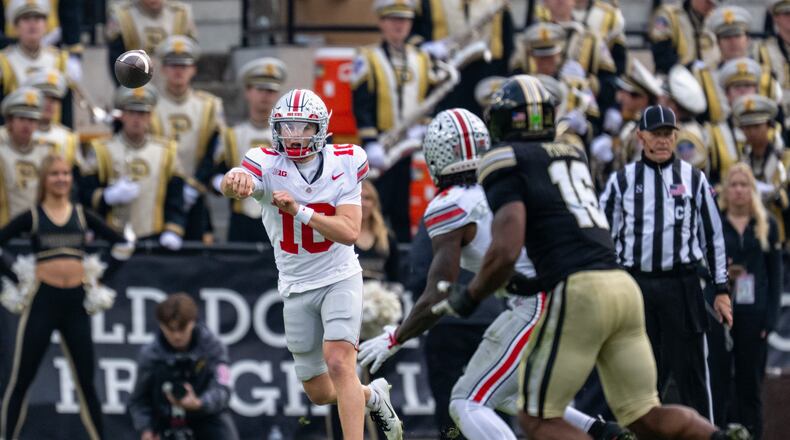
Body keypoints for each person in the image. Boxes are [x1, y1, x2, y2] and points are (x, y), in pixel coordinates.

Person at [430, 75, 748, 440]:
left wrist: (470, 296)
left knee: (535, 418)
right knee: (645, 414)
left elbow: (506, 248)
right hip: (624, 287)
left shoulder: (503, 159)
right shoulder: (572, 153)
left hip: (582, 291)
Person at [359, 107, 629, 440]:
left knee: (465, 400)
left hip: (538, 303)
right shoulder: (508, 182)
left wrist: (396, 336)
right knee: (509, 394)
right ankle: (605, 433)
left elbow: (437, 292)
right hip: (576, 291)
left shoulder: (451, 203)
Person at [220, 88, 402, 440]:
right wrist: (233, 179)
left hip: (339, 275)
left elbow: (350, 232)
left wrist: (299, 211)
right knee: (319, 392)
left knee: (339, 362)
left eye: (302, 127)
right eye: (287, 127)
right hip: (295, 283)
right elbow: (237, 184)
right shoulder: (265, 163)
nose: (294, 136)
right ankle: (372, 395)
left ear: (319, 128)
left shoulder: (346, 161)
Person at [599, 104, 731, 420]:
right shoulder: (622, 181)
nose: (662, 141)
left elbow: (712, 237)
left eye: (667, 134)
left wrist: (721, 288)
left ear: (675, 136)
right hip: (636, 285)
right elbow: (604, 236)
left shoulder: (694, 179)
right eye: (655, 134)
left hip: (681, 285)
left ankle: (706, 433)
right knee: (639, 374)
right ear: (641, 136)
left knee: (694, 375)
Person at [0, 153, 134, 440]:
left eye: (65, 173)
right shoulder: (34, 216)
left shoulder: (83, 215)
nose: (61, 179)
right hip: (42, 302)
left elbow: (122, 244)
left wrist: (99, 279)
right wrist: (17, 277)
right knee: (22, 380)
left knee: (86, 382)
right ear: (44, 180)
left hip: (75, 304)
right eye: (54, 174)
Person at [351, 0, 442, 243]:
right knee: (378, 205)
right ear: (381, 22)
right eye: (393, 20)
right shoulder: (367, 57)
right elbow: (361, 103)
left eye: (404, 20)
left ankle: (401, 259)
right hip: (381, 145)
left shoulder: (422, 58)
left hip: (409, 144)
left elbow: (431, 97)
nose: (399, 25)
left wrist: (424, 125)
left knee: (402, 209)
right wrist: (370, 141)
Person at [718, 163, 782, 438]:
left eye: (745, 185)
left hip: (754, 314)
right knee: (721, 381)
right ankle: (720, 433)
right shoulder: (715, 223)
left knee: (750, 383)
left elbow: (776, 275)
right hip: (722, 313)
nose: (739, 190)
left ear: (752, 190)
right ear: (726, 190)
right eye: (734, 184)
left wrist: (770, 318)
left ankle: (753, 434)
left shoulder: (767, 224)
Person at [79, 85, 186, 249]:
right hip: (110, 236)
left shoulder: (166, 152)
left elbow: (175, 196)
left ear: (150, 117)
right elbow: (84, 193)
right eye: (131, 112)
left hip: (153, 236)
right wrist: (107, 197)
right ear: (122, 115)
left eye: (142, 113)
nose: (137, 119)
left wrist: (173, 229)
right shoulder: (101, 149)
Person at [129, 293, 239, 440]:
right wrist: (147, 429)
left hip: (207, 417)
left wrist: (200, 403)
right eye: (170, 329)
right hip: (164, 421)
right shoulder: (150, 355)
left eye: (182, 328)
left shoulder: (213, 347)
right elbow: (139, 400)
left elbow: (223, 388)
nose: (177, 336)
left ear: (193, 322)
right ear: (161, 325)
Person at [150, 35, 225, 243]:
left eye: (184, 65)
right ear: (163, 68)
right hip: (159, 195)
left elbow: (215, 150)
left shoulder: (209, 106)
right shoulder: (149, 105)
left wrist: (196, 185)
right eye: (172, 65)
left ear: (193, 69)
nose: (178, 71)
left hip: (196, 194)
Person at [214, 57, 285, 244]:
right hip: (241, 219)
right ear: (247, 92)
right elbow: (214, 170)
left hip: (280, 218)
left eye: (271, 90)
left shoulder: (288, 135)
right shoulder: (231, 135)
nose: (266, 96)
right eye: (260, 89)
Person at [0, 0, 74, 127]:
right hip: (17, 137)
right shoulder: (4, 60)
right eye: (26, 19)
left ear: (46, 25)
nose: (32, 24)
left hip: (52, 135)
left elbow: (66, 108)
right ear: (16, 26)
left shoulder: (59, 59)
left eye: (38, 18)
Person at [732, 94, 789, 241]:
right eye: (746, 127)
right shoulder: (740, 161)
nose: (751, 132)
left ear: (769, 126)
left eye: (756, 126)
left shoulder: (785, 159)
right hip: (749, 234)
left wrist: (780, 197)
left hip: (781, 232)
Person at [106, 0, 197, 85]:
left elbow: (190, 58)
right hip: (136, 84)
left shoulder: (181, 13)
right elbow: (117, 59)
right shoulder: (123, 14)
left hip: (174, 84)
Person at [0, 86, 53, 227]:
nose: (27, 125)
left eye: (32, 120)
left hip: (38, 229)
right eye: (22, 118)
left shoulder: (46, 152)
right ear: (10, 121)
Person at [23, 68, 81, 169]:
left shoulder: (68, 138)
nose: (49, 104)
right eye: (44, 98)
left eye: (54, 99)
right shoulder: (18, 133)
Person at [649, 0, 720, 74]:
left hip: (704, 81)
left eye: (713, 4)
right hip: (674, 79)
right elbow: (662, 55)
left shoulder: (713, 21)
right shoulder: (670, 15)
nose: (710, 6)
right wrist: (689, 68)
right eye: (707, 2)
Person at [356, 180, 399, 282]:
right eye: (358, 198)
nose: (363, 203)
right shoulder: (342, 236)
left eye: (367, 198)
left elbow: (395, 278)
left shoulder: (387, 237)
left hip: (380, 294)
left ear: (374, 203)